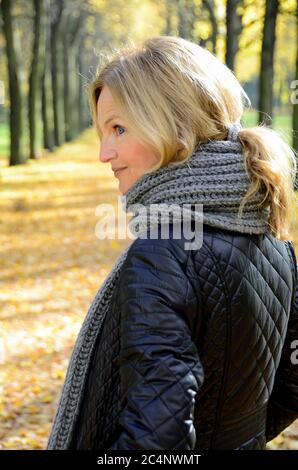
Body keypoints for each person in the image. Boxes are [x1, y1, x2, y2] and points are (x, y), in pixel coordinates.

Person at [47, 36, 298, 450]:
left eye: (119, 128)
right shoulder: (273, 241)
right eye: (103, 132)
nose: (104, 153)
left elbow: (157, 442)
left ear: (175, 129)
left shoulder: (162, 254)